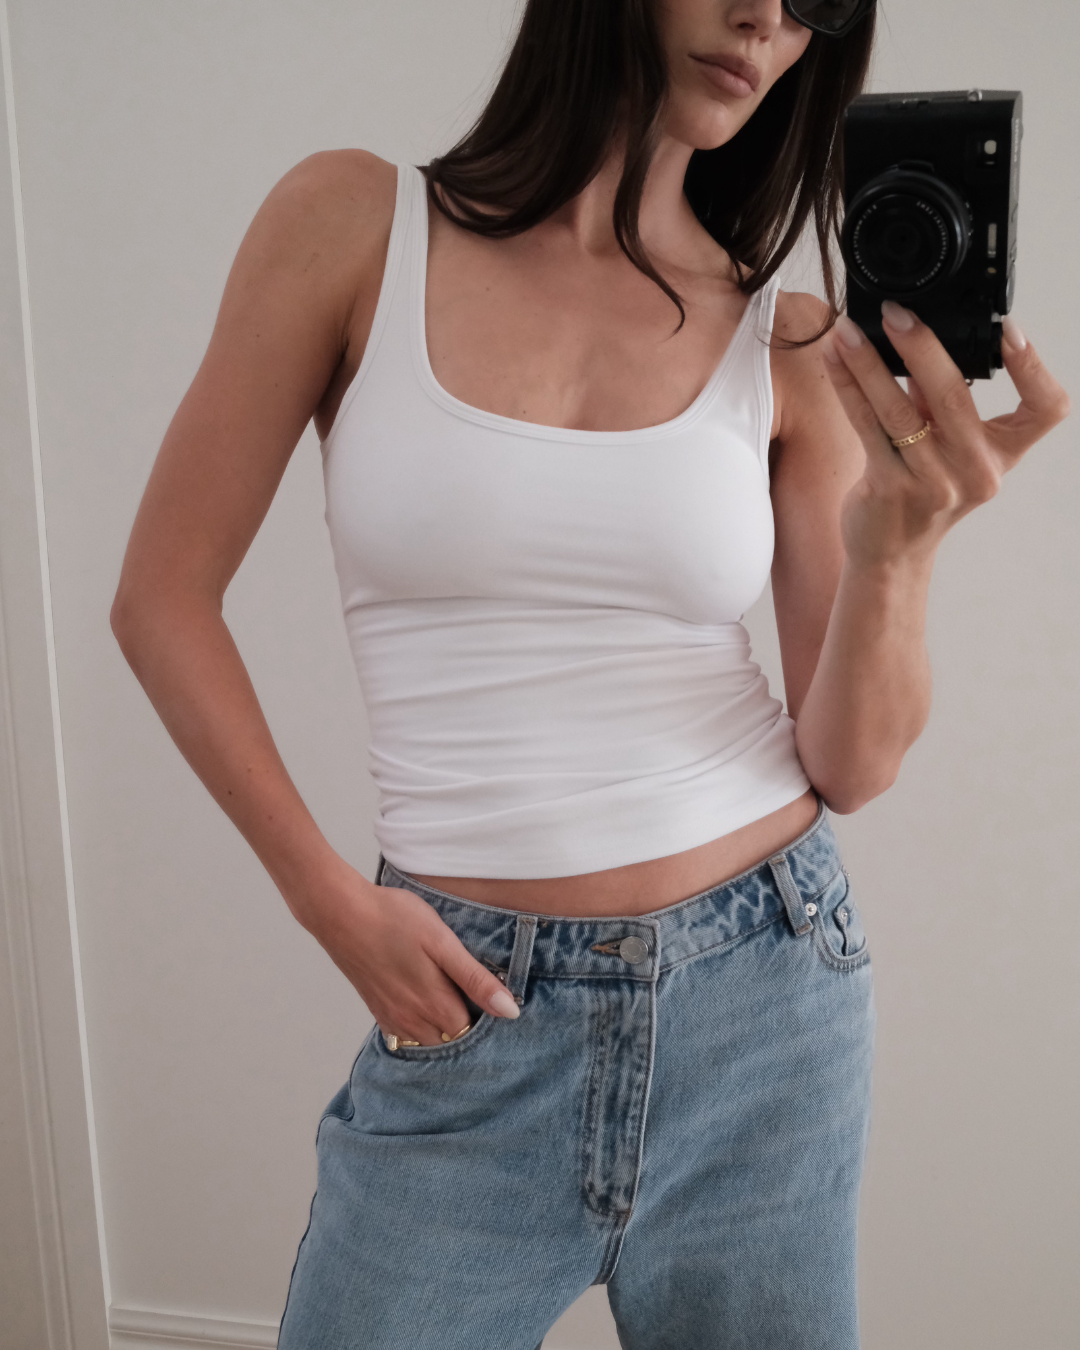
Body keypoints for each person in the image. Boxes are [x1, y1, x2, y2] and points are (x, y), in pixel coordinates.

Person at [110, 0, 1069, 1346]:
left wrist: (900, 550)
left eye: (813, 2)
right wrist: (331, 902)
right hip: (469, 1007)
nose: (766, 20)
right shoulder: (352, 225)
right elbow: (160, 599)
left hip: (765, 999)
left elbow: (853, 763)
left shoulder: (785, 340)